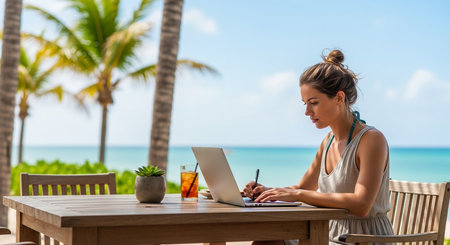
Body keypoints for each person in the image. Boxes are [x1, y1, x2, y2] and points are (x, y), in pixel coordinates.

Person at [243, 49, 394, 245]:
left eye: (313, 103)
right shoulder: (328, 141)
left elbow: (362, 205)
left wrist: (297, 194)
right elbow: (302, 187)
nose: (307, 111)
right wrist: (268, 192)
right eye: (305, 103)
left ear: (339, 98)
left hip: (361, 239)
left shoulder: (371, 140)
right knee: (266, 240)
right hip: (326, 234)